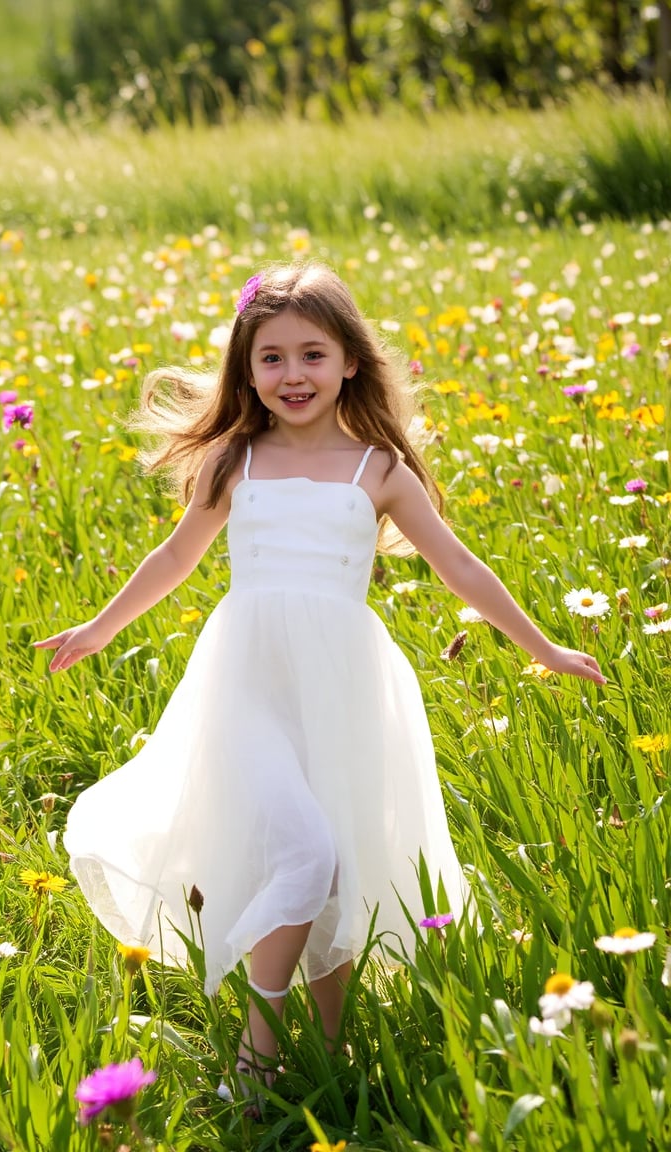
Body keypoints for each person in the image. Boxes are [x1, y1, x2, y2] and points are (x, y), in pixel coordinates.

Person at [34, 261, 606, 1115]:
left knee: (333, 867)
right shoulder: (236, 461)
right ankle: (258, 1060)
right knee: (302, 850)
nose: (291, 375)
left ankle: (330, 1052)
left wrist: (546, 646)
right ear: (247, 370)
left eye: (312, 354)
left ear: (349, 363)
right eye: (271, 358)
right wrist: (99, 628)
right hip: (246, 681)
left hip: (344, 684)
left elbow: (461, 568)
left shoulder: (376, 470)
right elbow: (175, 559)